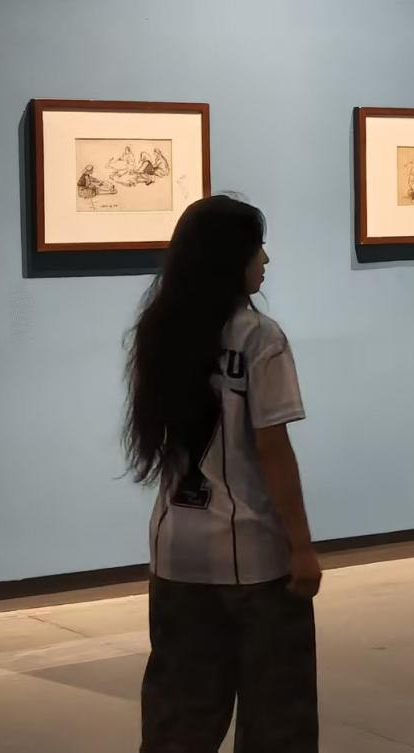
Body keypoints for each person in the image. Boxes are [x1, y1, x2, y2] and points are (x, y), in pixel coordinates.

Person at [125, 195, 320, 753]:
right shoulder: (260, 338)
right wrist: (301, 548)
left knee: (179, 721)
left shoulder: (158, 332)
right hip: (253, 559)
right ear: (229, 258)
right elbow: (273, 451)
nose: (266, 260)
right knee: (276, 721)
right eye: (258, 248)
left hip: (175, 554)